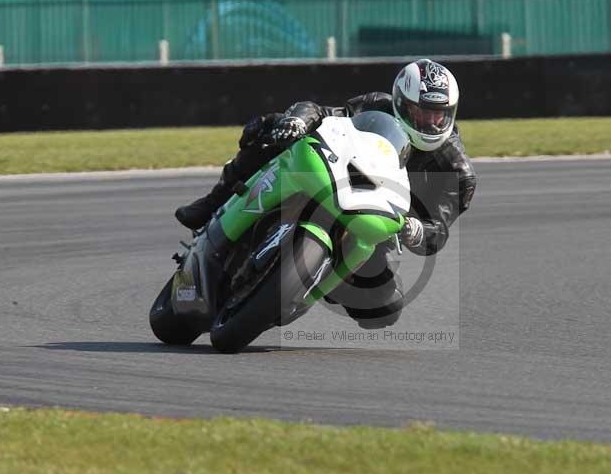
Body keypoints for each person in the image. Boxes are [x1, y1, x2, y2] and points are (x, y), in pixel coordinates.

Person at [175, 59, 477, 328]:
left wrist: (416, 230)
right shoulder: (376, 106)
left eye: (440, 115)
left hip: (381, 220)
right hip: (339, 175)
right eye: (422, 113)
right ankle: (215, 200)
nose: (431, 122)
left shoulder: (457, 172)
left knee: (385, 308)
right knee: (271, 129)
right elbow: (325, 115)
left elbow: (437, 229)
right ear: (401, 103)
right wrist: (297, 121)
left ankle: (326, 279)